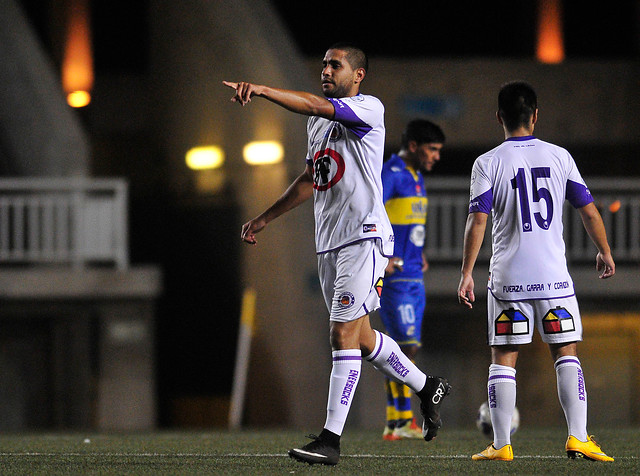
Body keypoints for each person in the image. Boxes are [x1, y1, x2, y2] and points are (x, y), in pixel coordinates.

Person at [224, 42, 451, 466]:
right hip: (330, 243)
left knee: (340, 334)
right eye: (324, 64)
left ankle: (330, 440)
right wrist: (264, 218)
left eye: (335, 64)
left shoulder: (369, 108)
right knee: (362, 339)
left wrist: (261, 90)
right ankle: (427, 386)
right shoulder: (317, 125)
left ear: (357, 75)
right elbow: (312, 179)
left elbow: (314, 104)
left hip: (365, 239)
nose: (326, 70)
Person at [457, 81, 615, 462]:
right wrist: (604, 251)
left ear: (499, 117)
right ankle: (577, 437)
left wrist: (466, 272)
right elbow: (589, 211)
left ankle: (500, 444)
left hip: (509, 278)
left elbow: (478, 221)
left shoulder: (488, 162)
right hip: (554, 279)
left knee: (503, 358)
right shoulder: (560, 156)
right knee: (566, 353)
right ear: (536, 115)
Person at [379, 119, 445, 440]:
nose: (436, 156)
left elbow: (408, 225)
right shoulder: (390, 174)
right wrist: (382, 256)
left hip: (414, 275)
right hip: (395, 278)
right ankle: (402, 421)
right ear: (415, 146)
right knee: (404, 347)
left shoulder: (416, 177)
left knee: (409, 348)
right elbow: (371, 213)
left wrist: (418, 252)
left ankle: (396, 422)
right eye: (432, 149)